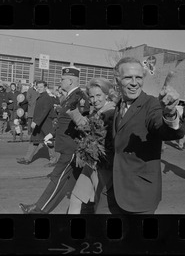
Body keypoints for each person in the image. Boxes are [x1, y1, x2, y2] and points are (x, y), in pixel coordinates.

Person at [95, 57, 184, 214]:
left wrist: (169, 113)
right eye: (128, 77)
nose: (134, 82)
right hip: (112, 187)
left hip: (139, 193)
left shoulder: (152, 104)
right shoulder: (120, 104)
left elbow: (163, 129)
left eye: (139, 77)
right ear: (117, 80)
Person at [19, 66, 90, 214]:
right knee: (66, 183)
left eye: (63, 79)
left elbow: (83, 124)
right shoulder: (70, 97)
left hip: (71, 147)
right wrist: (52, 134)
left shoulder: (79, 98)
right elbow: (63, 121)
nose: (60, 81)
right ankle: (41, 208)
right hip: (66, 145)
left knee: (57, 177)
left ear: (70, 80)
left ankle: (39, 209)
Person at [68, 78, 117, 214]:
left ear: (107, 95)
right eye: (91, 96)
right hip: (91, 165)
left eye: (98, 96)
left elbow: (96, 135)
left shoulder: (111, 113)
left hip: (104, 168)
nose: (94, 100)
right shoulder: (97, 111)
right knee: (76, 198)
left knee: (101, 206)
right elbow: (88, 130)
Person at [16, 80, 58, 164]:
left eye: (41, 87)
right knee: (34, 140)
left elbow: (45, 111)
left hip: (46, 123)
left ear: (45, 88)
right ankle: (27, 159)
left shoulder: (46, 97)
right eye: (38, 87)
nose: (39, 89)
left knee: (49, 141)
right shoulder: (40, 96)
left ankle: (53, 160)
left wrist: (36, 122)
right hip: (39, 123)